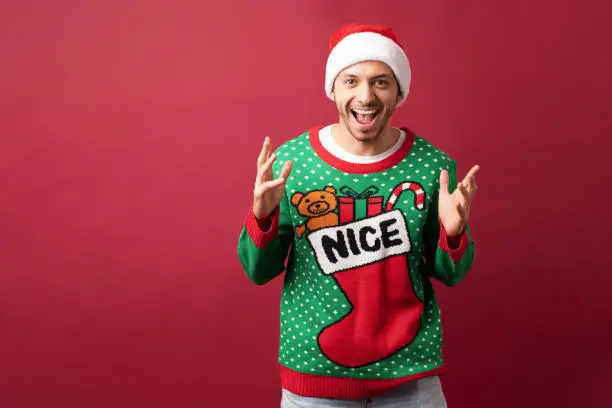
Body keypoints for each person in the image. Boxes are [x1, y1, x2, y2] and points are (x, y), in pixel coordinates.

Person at [237, 23, 479, 407]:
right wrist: (262, 218)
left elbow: (452, 274)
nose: (365, 96)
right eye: (351, 81)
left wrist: (453, 235)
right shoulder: (291, 164)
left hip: (411, 376)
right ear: (333, 88)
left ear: (399, 91)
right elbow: (258, 271)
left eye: (381, 82)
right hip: (314, 377)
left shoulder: (434, 168)